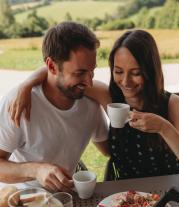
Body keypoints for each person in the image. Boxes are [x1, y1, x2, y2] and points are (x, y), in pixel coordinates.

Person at [8, 29, 179, 179]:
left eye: (135, 73)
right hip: (124, 196)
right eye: (118, 71)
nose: (125, 82)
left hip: (168, 192)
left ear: (151, 71)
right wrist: (27, 84)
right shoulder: (109, 95)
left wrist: (164, 128)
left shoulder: (172, 105)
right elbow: (59, 71)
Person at [0, 21, 109, 192]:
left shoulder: (90, 102)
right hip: (21, 200)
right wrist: (36, 170)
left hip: (64, 199)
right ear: (51, 66)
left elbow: (108, 149)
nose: (89, 82)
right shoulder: (19, 102)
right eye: (79, 73)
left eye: (92, 71)